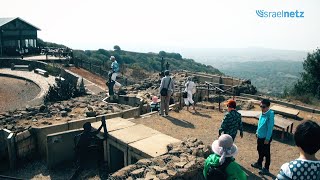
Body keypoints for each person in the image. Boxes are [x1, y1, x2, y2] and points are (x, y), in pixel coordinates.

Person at [251, 99, 275, 175]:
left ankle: (266, 168)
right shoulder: (263, 112)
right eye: (261, 106)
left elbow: (270, 128)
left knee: (266, 153)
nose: (262, 108)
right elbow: (259, 123)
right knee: (259, 150)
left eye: (263, 107)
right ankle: (259, 163)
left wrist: (267, 138)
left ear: (268, 107)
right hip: (260, 136)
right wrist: (257, 131)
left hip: (265, 138)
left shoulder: (270, 114)